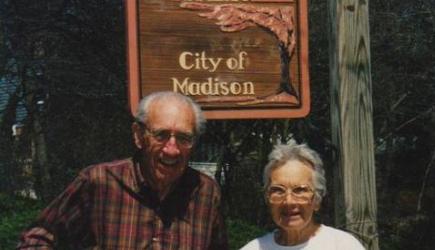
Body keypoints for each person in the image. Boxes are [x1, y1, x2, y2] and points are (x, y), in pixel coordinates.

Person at [17, 91, 228, 249]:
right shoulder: (100, 182)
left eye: (184, 138)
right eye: (161, 135)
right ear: (138, 135)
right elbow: (37, 238)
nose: (172, 149)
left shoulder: (205, 193)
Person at [240, 141, 365, 250]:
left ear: (316, 200)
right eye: (278, 190)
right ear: (268, 199)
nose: (289, 201)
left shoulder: (342, 245)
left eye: (300, 190)